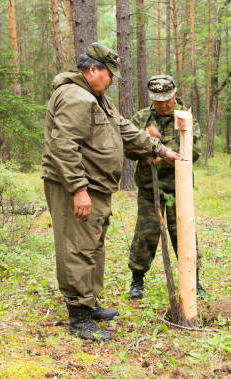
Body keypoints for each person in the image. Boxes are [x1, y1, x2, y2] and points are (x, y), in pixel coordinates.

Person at [42, 44, 181, 341]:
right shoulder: (74, 96)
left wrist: (161, 149)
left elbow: (125, 130)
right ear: (93, 69)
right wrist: (78, 189)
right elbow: (63, 145)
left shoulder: (97, 99)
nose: (112, 81)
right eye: (109, 74)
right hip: (79, 186)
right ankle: (79, 316)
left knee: (93, 245)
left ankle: (89, 303)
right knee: (77, 247)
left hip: (98, 186)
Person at [127, 75, 207, 299]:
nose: (162, 105)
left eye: (166, 99)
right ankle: (137, 281)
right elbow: (129, 149)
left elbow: (194, 153)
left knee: (184, 235)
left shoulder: (185, 118)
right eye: (157, 100)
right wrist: (145, 138)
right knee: (146, 234)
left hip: (178, 190)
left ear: (175, 95)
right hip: (149, 189)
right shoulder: (142, 118)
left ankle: (194, 281)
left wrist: (158, 150)